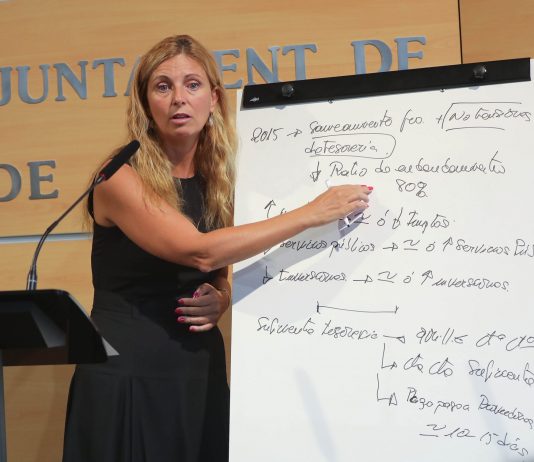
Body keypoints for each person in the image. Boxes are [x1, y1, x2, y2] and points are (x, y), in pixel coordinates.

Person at [62, 34, 372, 462]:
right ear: (145, 103)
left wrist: (223, 295)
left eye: (192, 84)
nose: (178, 98)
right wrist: (311, 213)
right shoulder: (118, 176)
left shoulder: (221, 176)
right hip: (128, 378)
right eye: (163, 86)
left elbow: (218, 266)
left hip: (197, 371)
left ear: (213, 98)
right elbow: (200, 252)